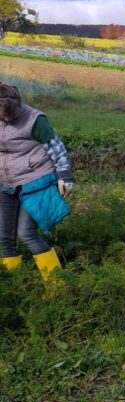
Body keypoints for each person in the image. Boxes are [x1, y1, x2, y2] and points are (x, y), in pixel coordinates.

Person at [0, 83, 74, 280]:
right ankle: (13, 287)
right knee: (4, 238)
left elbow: (57, 148)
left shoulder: (34, 120)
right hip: (5, 183)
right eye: (2, 116)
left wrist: (64, 176)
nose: (7, 119)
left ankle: (56, 285)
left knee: (26, 233)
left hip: (36, 180)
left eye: (11, 115)